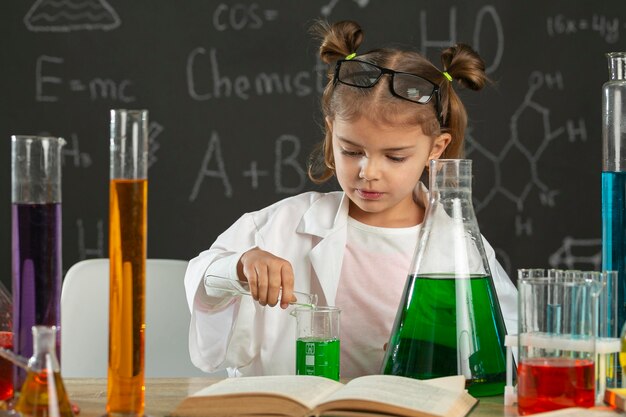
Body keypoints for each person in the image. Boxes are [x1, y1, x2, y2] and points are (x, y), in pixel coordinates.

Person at [184, 20, 517, 378]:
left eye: (395, 157)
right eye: (351, 150)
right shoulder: (281, 226)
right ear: (331, 133)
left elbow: (507, 340)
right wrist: (240, 265)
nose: (368, 171)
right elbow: (201, 279)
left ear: (436, 149)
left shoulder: (460, 246)